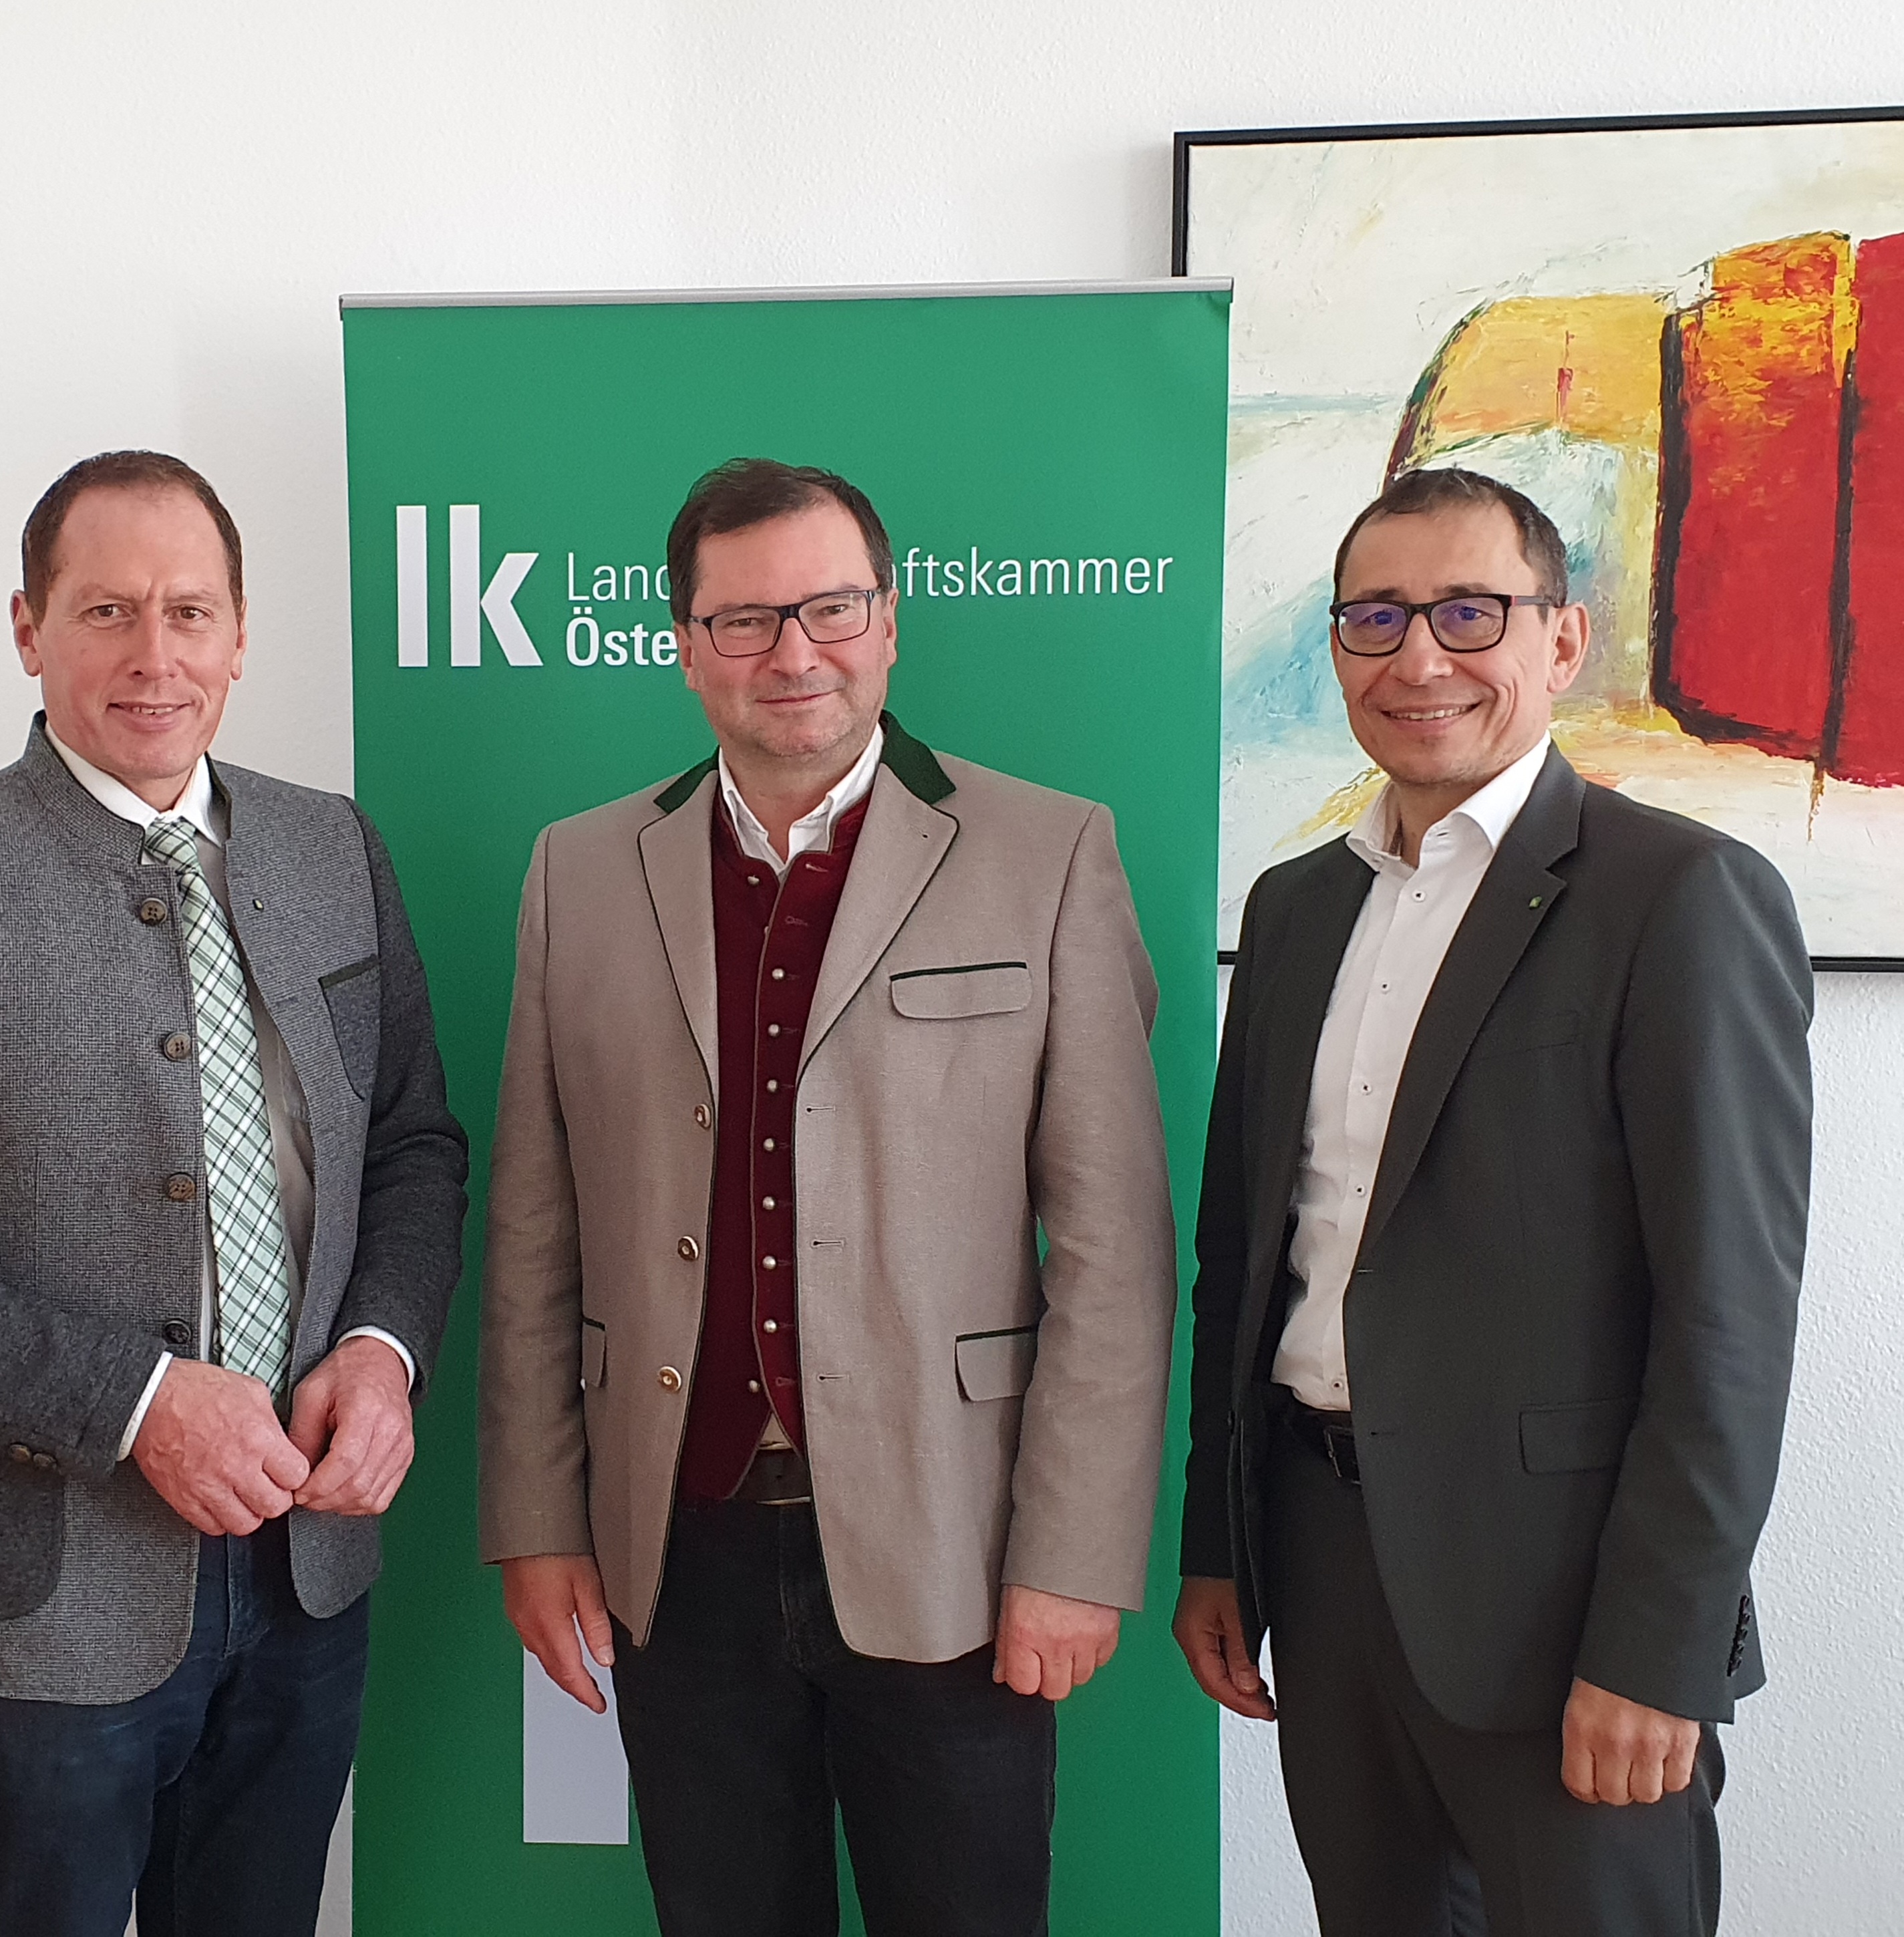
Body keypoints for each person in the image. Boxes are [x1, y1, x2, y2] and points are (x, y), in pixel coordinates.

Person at [0, 450, 468, 1937]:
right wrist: (139, 1403)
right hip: (45, 1603)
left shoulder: (335, 846)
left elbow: (412, 1144)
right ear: (29, 629)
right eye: (107, 610)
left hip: (309, 1566)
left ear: (242, 635)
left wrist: (383, 1351)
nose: (156, 655)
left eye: (191, 611)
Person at [478, 458, 1175, 1936]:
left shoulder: (1048, 853)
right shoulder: (577, 871)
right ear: (685, 646)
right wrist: (536, 1519)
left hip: (957, 1549)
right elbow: (536, 1233)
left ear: (889, 621)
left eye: (831, 609)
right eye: (744, 620)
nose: (793, 652)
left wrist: (1073, 1555)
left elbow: (1113, 1250)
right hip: (677, 1551)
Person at [1173, 466, 1813, 1936]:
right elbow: (1245, 1255)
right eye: (1376, 618)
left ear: (1561, 640)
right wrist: (1222, 1542)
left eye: (1469, 612)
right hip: (1321, 1564)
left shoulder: (1677, 897)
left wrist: (1657, 1649)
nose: (1419, 658)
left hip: (1563, 1604)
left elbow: (1726, 1320)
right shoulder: (1293, 910)